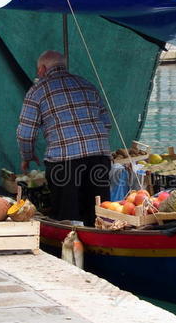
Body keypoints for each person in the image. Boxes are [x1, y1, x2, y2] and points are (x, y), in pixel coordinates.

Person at [17, 50, 112, 225]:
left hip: (64, 162)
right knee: (99, 213)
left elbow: (25, 134)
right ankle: (101, 246)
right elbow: (106, 123)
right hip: (99, 158)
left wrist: (27, 156)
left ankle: (67, 247)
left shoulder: (37, 91)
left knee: (68, 216)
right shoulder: (87, 85)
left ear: (42, 69)